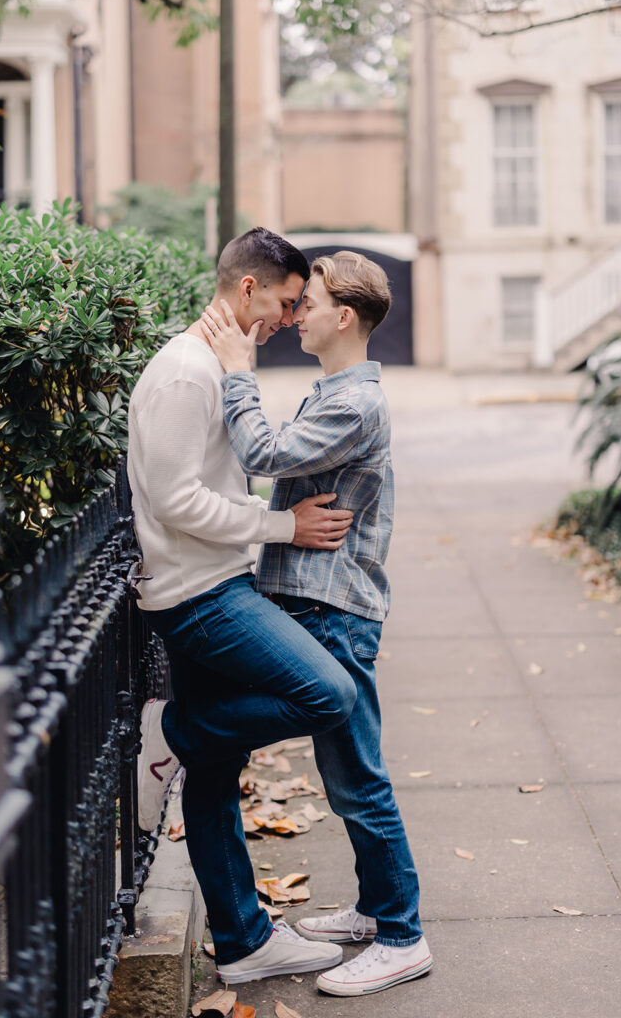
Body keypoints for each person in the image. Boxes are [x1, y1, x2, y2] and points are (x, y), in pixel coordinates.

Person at [128, 228, 360, 984]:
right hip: (200, 597)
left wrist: (263, 510)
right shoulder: (186, 374)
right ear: (247, 289)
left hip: (214, 579)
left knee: (218, 773)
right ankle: (174, 731)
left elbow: (212, 482)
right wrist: (280, 524)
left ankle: (242, 942)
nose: (292, 319)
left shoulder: (212, 365)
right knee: (328, 692)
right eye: (288, 303)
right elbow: (175, 498)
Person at [199, 249, 432, 997]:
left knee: (357, 781)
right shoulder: (334, 388)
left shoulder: (353, 402)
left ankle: (402, 937)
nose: (297, 312)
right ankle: (376, 912)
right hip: (318, 603)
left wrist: (237, 368)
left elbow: (264, 452)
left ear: (347, 316)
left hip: (335, 610)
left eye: (314, 300)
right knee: (348, 775)